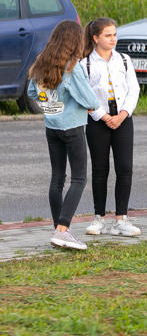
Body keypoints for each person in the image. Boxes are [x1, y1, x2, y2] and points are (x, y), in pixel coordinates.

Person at [27, 20, 99, 251]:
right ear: (75, 41)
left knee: (57, 178)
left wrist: (52, 106)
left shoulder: (42, 61)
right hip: (73, 128)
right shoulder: (72, 66)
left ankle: (58, 229)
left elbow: (31, 92)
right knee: (79, 179)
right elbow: (90, 100)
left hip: (52, 127)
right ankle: (62, 230)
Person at [81, 18, 142, 237]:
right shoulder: (85, 63)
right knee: (100, 169)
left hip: (123, 119)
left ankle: (121, 218)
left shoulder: (124, 59)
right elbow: (84, 94)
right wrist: (104, 116)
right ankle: (99, 218)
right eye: (108, 35)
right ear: (95, 38)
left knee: (124, 167)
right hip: (98, 121)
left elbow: (133, 90)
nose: (113, 39)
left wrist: (123, 114)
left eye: (114, 34)